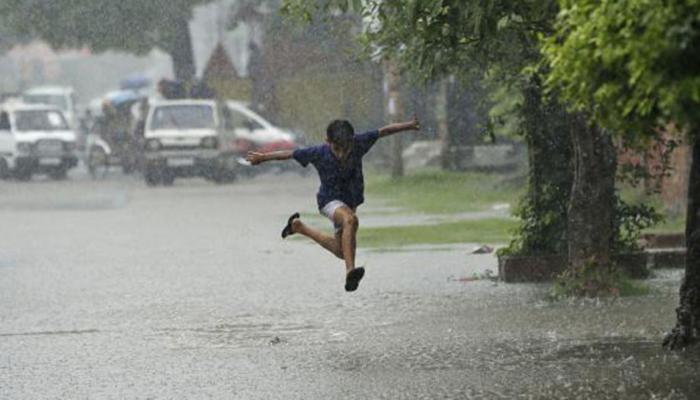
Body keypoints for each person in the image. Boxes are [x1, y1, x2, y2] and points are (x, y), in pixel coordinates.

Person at [246, 117, 420, 292]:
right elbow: (290, 154)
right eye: (337, 149)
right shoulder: (318, 152)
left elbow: (384, 131)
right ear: (327, 142)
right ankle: (350, 271)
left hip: (350, 201)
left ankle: (298, 227)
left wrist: (409, 125)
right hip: (329, 201)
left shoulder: (359, 143)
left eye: (346, 149)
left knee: (341, 251)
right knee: (351, 220)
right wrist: (263, 157)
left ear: (352, 140)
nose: (342, 155)